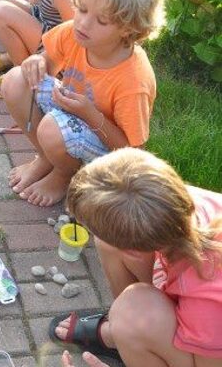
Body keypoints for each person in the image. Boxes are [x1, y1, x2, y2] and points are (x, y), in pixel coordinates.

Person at [2, 0, 168, 206]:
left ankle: (63, 175)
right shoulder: (74, 33)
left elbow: (132, 153)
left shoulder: (134, 80)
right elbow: (48, 63)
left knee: (52, 128)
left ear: (129, 28)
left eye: (101, 20)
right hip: (69, 116)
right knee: (16, 80)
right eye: (81, 9)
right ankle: (46, 158)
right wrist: (37, 61)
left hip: (103, 147)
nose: (83, 23)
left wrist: (90, 114)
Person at [50, 148, 222, 366]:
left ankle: (132, 333)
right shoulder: (175, 202)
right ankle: (128, 337)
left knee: (131, 311)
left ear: (134, 252)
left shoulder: (208, 303)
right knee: (111, 241)